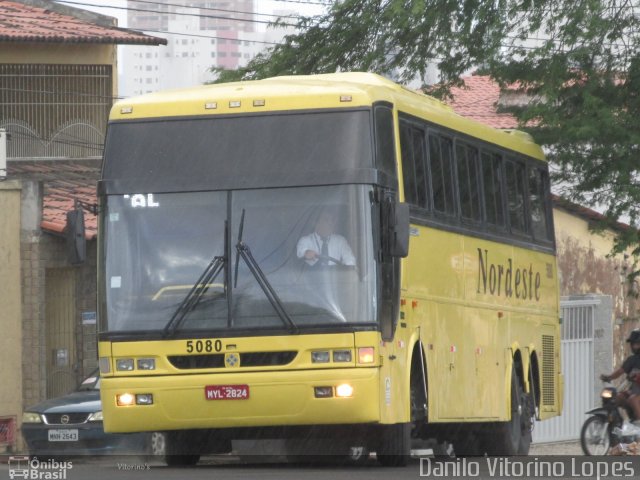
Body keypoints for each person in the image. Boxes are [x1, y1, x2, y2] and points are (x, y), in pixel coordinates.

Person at [600, 329, 640, 423]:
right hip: (633, 390)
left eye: (636, 344)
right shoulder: (632, 359)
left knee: (632, 399)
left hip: (636, 393)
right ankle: (619, 425)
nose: (633, 346)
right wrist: (608, 377)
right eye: (633, 344)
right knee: (616, 398)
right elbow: (620, 371)